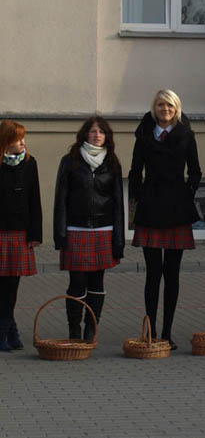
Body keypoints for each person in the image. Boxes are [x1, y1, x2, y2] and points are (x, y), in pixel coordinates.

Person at [128, 89, 201, 349]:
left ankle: (167, 333)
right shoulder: (144, 134)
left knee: (172, 274)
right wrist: (140, 195)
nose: (165, 109)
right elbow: (135, 171)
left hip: (176, 210)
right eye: (161, 105)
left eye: (170, 105)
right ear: (154, 108)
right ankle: (151, 331)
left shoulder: (186, 134)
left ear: (176, 108)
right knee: (152, 274)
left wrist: (185, 194)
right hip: (150, 209)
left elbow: (195, 171)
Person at [54, 116, 124, 341]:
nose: (97, 135)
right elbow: (61, 199)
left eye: (101, 132)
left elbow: (118, 204)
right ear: (85, 134)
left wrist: (119, 239)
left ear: (107, 136)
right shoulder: (70, 161)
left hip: (103, 230)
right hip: (76, 230)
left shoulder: (112, 163)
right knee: (77, 282)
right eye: (93, 131)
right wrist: (60, 233)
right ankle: (74, 329)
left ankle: (91, 328)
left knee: (97, 282)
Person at [0, 120, 42, 351]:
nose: (23, 143)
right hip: (1, 231)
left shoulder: (29, 163)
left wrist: (35, 233)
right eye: (18, 139)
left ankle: (7, 330)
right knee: (2, 286)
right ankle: (7, 331)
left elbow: (35, 199)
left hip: (20, 232)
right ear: (6, 141)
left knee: (12, 286)